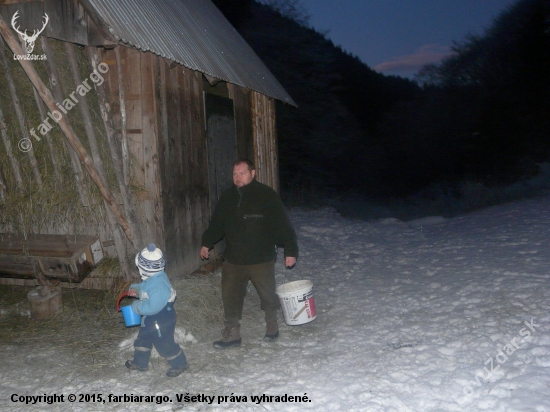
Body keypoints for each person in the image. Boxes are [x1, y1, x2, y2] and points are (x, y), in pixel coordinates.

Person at [200, 158, 298, 349]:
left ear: (252, 173)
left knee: (268, 296)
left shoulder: (266, 195)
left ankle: (272, 327)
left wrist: (290, 250)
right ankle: (232, 335)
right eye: (235, 174)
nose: (237, 177)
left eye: (242, 173)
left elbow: (282, 224)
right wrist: (206, 242)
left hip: (261, 259)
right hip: (233, 259)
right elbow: (217, 223)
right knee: (230, 298)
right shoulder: (228, 197)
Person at [125, 243, 188, 377]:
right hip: (151, 319)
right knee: (143, 338)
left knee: (164, 344)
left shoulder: (159, 285)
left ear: (144, 268)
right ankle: (140, 362)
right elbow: (145, 287)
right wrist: (136, 289)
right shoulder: (152, 278)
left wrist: (136, 307)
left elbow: (153, 307)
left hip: (161, 318)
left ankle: (180, 363)